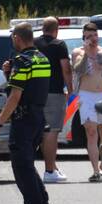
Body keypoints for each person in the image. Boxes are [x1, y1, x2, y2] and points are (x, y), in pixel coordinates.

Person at [0, 23, 56, 204]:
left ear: (17, 38)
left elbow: (15, 97)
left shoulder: (23, 61)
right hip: (37, 117)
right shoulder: (42, 59)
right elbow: (31, 87)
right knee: (28, 167)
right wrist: (9, 74)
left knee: (22, 170)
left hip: (23, 120)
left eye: (12, 38)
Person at [71, 23, 102, 182]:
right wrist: (86, 53)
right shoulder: (78, 52)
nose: (93, 39)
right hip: (86, 95)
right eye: (89, 36)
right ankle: (95, 170)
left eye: (95, 35)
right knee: (91, 132)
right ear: (84, 38)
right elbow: (78, 70)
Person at [34, 17, 75, 183]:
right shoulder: (59, 45)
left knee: (44, 132)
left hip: (35, 92)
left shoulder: (34, 43)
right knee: (52, 131)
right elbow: (66, 69)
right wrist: (71, 90)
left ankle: (52, 167)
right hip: (53, 92)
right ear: (56, 29)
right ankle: (49, 171)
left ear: (43, 28)